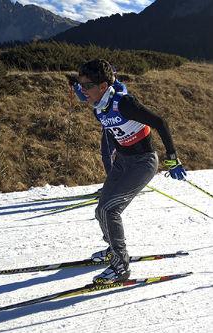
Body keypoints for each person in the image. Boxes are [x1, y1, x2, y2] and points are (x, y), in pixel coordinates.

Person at [76, 59, 186, 284]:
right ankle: (112, 249)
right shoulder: (99, 105)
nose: (82, 91)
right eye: (81, 85)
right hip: (124, 162)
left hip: (143, 162)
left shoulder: (124, 103)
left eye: (87, 86)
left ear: (103, 86)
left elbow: (160, 123)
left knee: (110, 210)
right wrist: (117, 153)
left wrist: (172, 159)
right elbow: (113, 130)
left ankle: (120, 267)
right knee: (101, 210)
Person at [67, 66, 127, 175]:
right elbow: (84, 97)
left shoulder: (120, 87)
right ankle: (112, 181)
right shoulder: (99, 87)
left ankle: (128, 178)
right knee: (106, 154)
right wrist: (76, 85)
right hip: (108, 128)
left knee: (122, 155)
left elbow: (114, 100)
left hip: (121, 127)